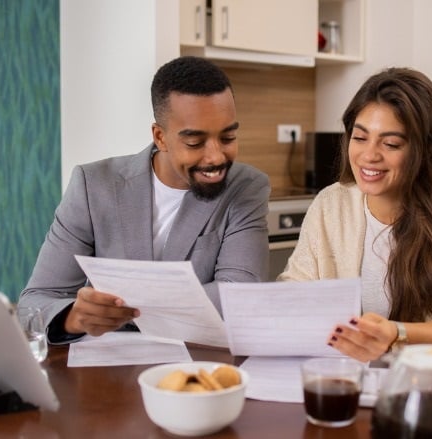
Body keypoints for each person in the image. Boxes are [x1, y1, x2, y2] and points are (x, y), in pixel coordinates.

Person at [19, 56, 270, 344]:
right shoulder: (93, 186)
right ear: (160, 137)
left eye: (228, 137)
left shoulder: (246, 187)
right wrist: (74, 316)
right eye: (195, 142)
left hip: (198, 361)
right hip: (109, 366)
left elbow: (240, 295)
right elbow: (33, 304)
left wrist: (128, 303)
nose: (215, 156)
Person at [278, 67, 432, 362]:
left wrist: (396, 334)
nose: (369, 155)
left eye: (391, 144)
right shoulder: (331, 204)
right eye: (360, 138)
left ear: (425, 150)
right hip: (356, 377)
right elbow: (297, 285)